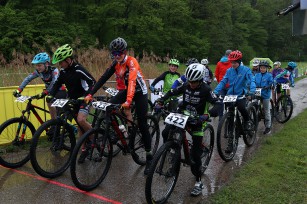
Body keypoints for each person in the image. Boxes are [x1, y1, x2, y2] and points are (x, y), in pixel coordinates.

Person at [83, 37, 153, 175]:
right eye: (114, 54)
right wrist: (90, 93)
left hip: (140, 92)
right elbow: (103, 78)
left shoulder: (131, 62)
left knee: (143, 123)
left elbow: (132, 81)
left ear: (125, 51)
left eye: (119, 53)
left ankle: (149, 156)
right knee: (108, 107)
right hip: (127, 91)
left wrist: (127, 102)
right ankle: (121, 130)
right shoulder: (116, 63)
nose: (117, 56)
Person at [156, 63, 220, 197]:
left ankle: (198, 182)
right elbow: (172, 92)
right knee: (165, 132)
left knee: (195, 157)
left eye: (194, 82)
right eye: (189, 81)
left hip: (198, 121)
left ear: (201, 80)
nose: (191, 84)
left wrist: (207, 115)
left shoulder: (206, 89)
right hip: (183, 115)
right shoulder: (186, 85)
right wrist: (161, 100)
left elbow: (218, 105)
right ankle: (173, 151)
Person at [47, 44, 96, 160]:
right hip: (73, 99)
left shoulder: (79, 69)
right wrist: (50, 95)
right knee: (79, 126)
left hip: (84, 98)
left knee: (81, 120)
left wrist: (88, 96)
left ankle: (94, 139)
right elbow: (57, 84)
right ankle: (84, 149)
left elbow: (93, 82)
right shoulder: (63, 71)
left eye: (61, 62)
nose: (60, 65)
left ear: (68, 60)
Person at [213, 50, 256, 152]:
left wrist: (252, 90)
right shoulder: (229, 70)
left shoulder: (245, 70)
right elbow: (223, 81)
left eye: (235, 62)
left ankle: (247, 121)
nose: (232, 64)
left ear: (239, 61)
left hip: (240, 95)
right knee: (230, 118)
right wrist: (216, 91)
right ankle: (230, 143)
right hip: (230, 96)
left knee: (241, 107)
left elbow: (251, 80)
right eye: (231, 62)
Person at [12, 52, 67, 127]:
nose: (37, 67)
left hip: (60, 91)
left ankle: (56, 124)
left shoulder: (54, 70)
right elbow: (28, 79)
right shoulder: (38, 72)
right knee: (51, 105)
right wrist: (19, 90)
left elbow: (54, 83)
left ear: (47, 64)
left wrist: (46, 92)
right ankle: (54, 124)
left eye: (39, 65)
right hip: (50, 92)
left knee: (54, 106)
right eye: (36, 66)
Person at [254, 60, 273, 134]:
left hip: (265, 94)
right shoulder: (256, 75)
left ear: (267, 68)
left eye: (264, 68)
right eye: (261, 67)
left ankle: (268, 126)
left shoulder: (269, 75)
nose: (262, 69)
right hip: (257, 93)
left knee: (266, 110)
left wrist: (268, 86)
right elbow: (253, 81)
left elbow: (271, 82)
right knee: (254, 105)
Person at [214, 49, 232, 120]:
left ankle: (221, 117)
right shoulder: (232, 63)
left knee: (220, 101)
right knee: (229, 102)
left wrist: (220, 82)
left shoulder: (219, 63)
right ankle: (229, 116)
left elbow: (216, 74)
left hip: (221, 85)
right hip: (230, 85)